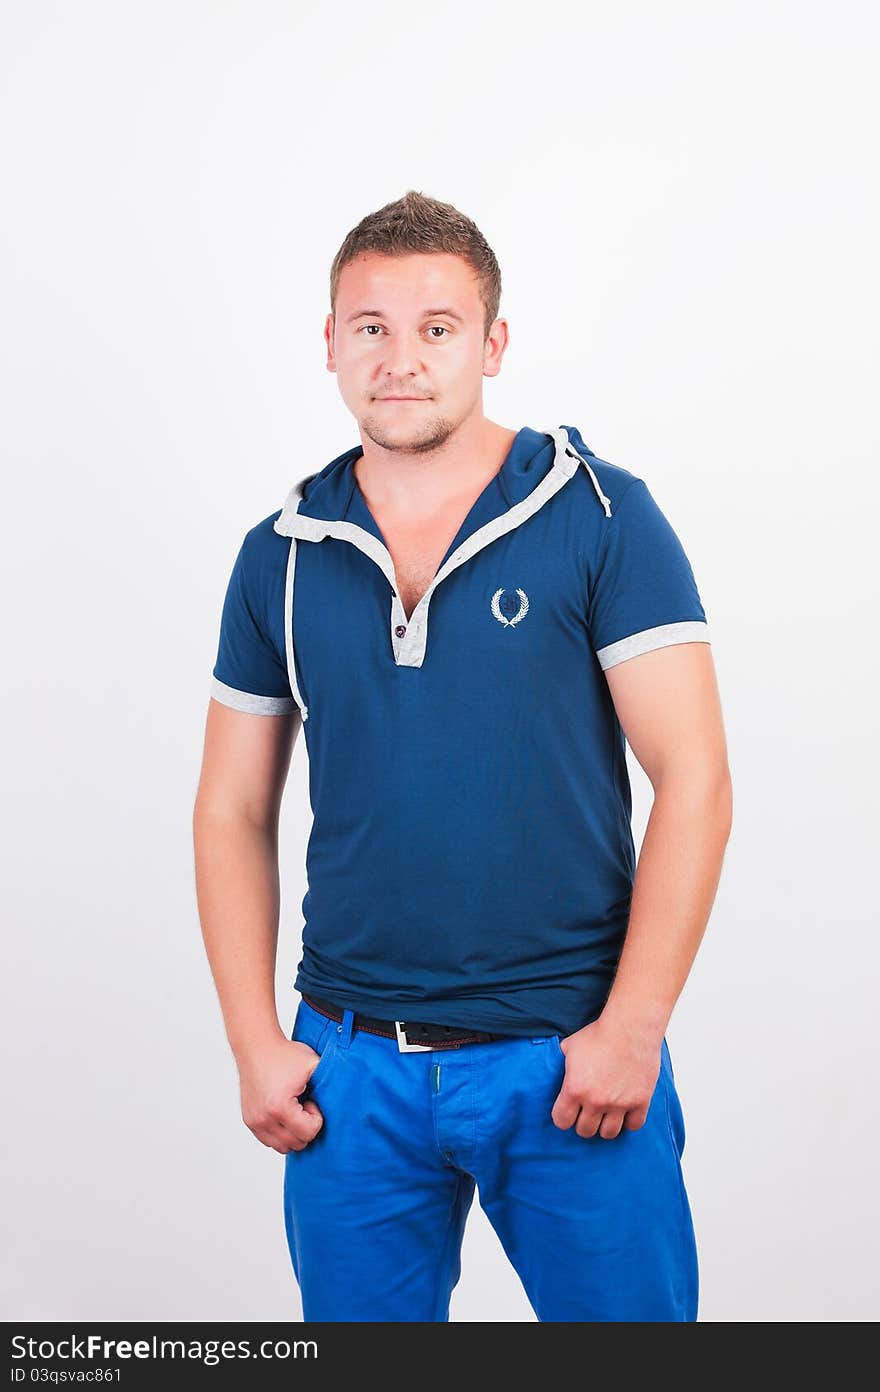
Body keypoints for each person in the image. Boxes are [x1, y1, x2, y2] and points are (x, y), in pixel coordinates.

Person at [192, 189, 733, 1323]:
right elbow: (230, 811)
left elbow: (694, 780)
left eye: (436, 327)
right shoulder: (279, 554)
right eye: (370, 327)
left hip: (568, 1060)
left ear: (491, 344)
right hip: (349, 1074)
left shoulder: (599, 515)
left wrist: (630, 1029)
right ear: (330, 344)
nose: (400, 358)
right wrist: (254, 1040)